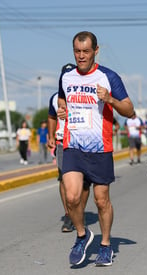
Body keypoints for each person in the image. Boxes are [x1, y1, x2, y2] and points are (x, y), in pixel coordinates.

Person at [57, 31, 135, 266]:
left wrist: (110, 100)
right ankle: (82, 235)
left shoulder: (108, 77)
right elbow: (62, 100)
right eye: (77, 52)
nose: (81, 56)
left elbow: (130, 110)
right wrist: (62, 110)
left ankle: (106, 244)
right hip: (73, 145)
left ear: (96, 51)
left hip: (100, 148)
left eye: (86, 52)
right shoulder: (66, 78)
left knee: (101, 201)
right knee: (71, 197)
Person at [48, 85, 90, 233]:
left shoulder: (84, 96)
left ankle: (80, 212)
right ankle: (68, 214)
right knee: (63, 179)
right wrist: (51, 135)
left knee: (84, 182)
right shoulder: (54, 98)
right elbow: (52, 117)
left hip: (82, 142)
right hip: (62, 142)